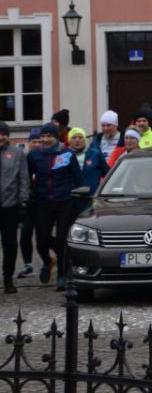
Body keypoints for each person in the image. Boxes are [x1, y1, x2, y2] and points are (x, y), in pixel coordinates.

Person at [28, 123, 82, 291]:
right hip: (42, 202)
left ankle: (61, 275)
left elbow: (77, 178)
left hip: (64, 202)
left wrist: (74, 194)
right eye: (43, 136)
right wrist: (32, 195)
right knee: (41, 241)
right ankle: (47, 261)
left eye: (49, 136)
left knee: (61, 239)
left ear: (56, 137)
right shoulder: (34, 155)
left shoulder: (67, 153)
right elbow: (27, 177)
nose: (45, 139)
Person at [0, 122, 30, 294]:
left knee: (10, 245)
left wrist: (23, 202)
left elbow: (24, 179)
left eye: (3, 134)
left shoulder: (17, 154)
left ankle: (8, 279)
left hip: (10, 206)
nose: (1, 137)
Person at [17, 128, 42, 280]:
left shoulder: (45, 158)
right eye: (34, 141)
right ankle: (27, 264)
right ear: (29, 143)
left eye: (39, 141)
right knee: (25, 234)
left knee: (43, 237)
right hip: (28, 204)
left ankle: (51, 260)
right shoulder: (24, 159)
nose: (37, 144)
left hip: (42, 204)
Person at [68, 127, 108, 213]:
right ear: (69, 141)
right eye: (74, 137)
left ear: (85, 139)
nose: (77, 140)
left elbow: (107, 174)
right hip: (71, 200)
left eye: (80, 137)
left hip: (91, 199)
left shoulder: (95, 154)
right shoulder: (65, 156)